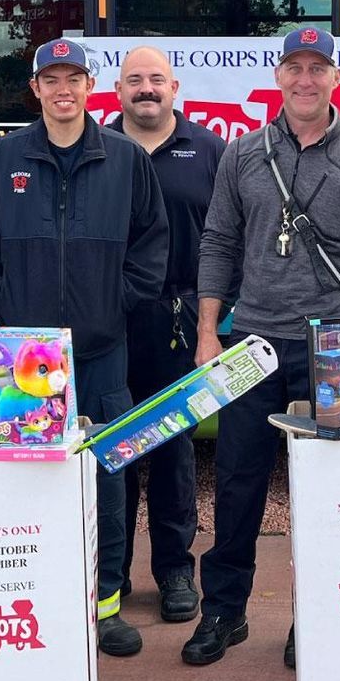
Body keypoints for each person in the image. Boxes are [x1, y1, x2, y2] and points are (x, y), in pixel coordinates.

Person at [185, 27, 340, 668]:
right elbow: (218, 244)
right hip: (252, 341)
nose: (305, 80)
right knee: (236, 483)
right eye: (294, 68)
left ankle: (315, 617)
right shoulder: (243, 153)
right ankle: (224, 613)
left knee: (331, 491)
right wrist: (207, 332)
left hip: (338, 345)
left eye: (318, 68)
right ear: (278, 76)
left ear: (337, 78)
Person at [0, 38, 168, 658]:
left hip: (102, 351)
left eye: (74, 77)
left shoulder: (126, 159)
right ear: (37, 89)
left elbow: (152, 248)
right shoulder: (3, 160)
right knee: (20, 479)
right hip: (20, 354)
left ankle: (103, 607)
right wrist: (5, 302)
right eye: (52, 79)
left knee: (105, 476)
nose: (63, 89)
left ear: (89, 86)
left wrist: (114, 303)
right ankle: (33, 600)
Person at [114, 45, 225, 623]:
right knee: (111, 447)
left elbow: (226, 240)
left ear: (175, 87)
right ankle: (110, 571)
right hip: (109, 320)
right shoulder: (97, 145)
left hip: (182, 316)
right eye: (135, 80)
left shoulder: (210, 151)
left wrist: (213, 324)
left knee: (174, 447)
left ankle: (176, 571)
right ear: (119, 90)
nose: (146, 89)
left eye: (156, 79)